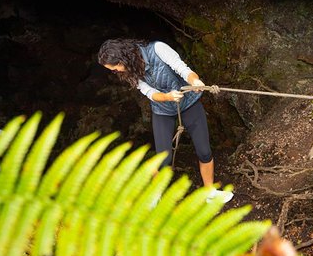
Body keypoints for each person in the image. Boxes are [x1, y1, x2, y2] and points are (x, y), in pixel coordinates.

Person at [98, 39, 233, 203]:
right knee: (163, 159)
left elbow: (182, 68)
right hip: (162, 109)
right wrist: (167, 97)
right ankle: (155, 196)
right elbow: (148, 92)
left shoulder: (158, 48)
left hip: (189, 102)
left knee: (204, 151)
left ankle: (210, 192)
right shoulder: (129, 72)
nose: (117, 71)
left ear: (123, 58)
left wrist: (195, 81)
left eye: (116, 66)